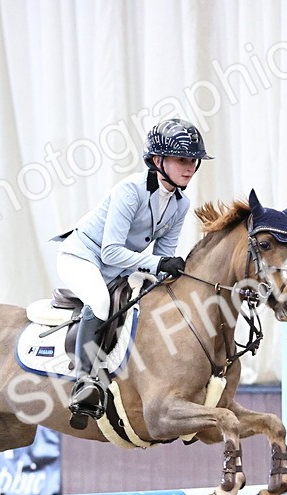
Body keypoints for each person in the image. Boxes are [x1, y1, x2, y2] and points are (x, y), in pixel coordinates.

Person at [55, 118, 212, 424]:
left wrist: (177, 274)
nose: (190, 167)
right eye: (182, 159)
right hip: (82, 256)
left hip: (117, 267)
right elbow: (110, 250)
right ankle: (84, 381)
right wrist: (158, 264)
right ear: (157, 161)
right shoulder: (130, 190)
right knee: (100, 302)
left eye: (193, 160)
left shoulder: (180, 204)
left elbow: (163, 256)